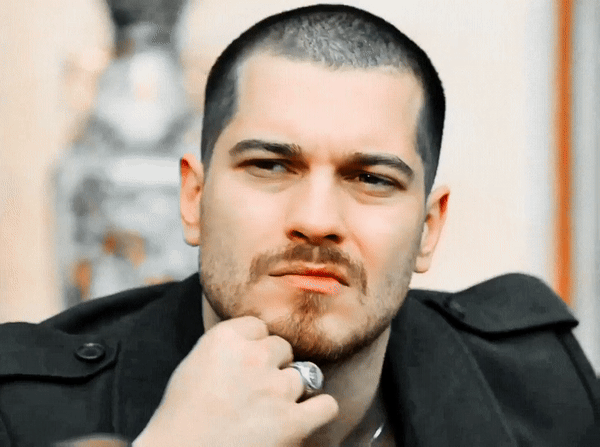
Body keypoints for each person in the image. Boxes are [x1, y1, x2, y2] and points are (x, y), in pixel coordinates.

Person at [1, 4, 598, 447]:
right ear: (194, 198)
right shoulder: (21, 412)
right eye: (270, 166)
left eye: (371, 179)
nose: (316, 221)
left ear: (428, 229)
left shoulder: (541, 390)